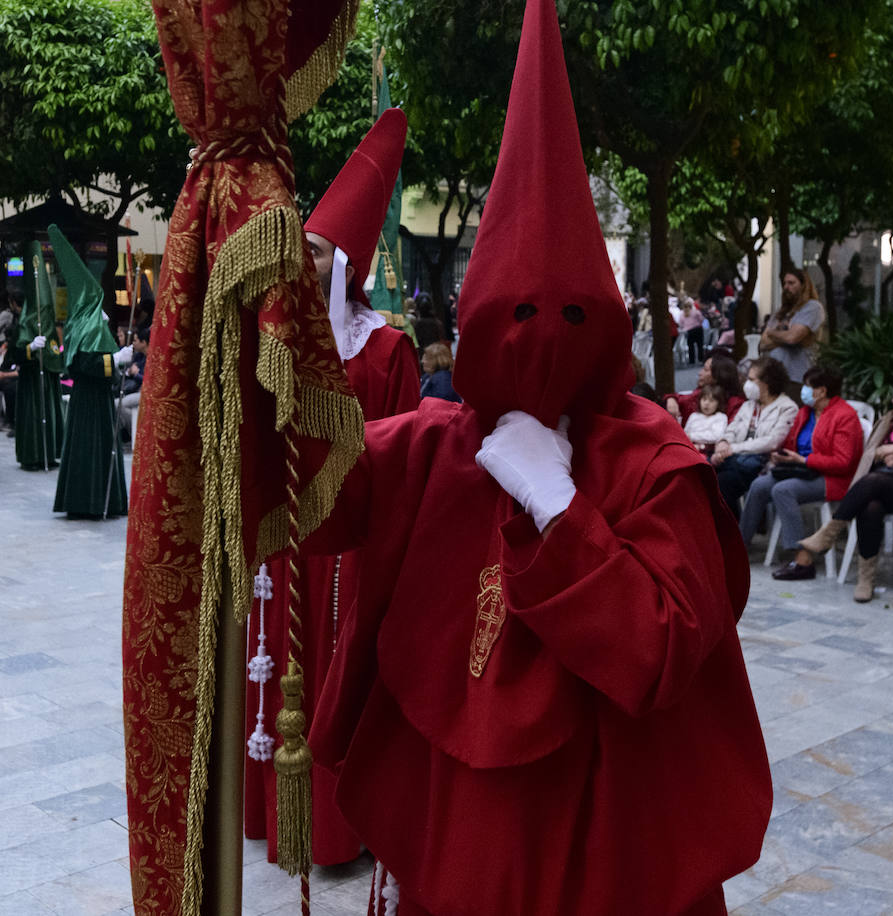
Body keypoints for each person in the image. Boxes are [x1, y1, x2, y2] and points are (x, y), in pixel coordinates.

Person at [307, 4, 770, 911]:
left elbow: (663, 648)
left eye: (569, 317)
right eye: (516, 314)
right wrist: (274, 355)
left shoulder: (653, 460)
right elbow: (305, 496)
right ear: (476, 318)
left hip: (598, 845)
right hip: (459, 834)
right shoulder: (431, 446)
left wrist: (561, 511)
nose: (542, 343)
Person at [244, 107, 422, 871]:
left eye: (314, 251)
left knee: (340, 674)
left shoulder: (385, 350)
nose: (302, 264)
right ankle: (278, 819)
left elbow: (408, 450)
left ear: (344, 261)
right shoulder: (277, 339)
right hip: (287, 547)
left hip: (349, 549)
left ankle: (338, 829)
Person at [794, 377, 893, 600]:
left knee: (874, 482)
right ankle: (866, 579)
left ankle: (830, 531)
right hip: (883, 481)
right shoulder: (889, 422)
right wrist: (884, 455)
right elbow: (870, 455)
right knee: (870, 507)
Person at [740, 365, 863, 578]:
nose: (803, 391)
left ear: (821, 391)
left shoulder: (845, 416)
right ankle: (740, 546)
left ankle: (802, 559)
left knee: (783, 490)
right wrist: (782, 455)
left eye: (807, 386)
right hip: (800, 469)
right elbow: (791, 442)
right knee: (760, 485)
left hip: (832, 478)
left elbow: (843, 462)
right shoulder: (806, 412)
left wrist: (806, 460)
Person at [48, 224, 131, 518]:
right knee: (93, 446)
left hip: (93, 398)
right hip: (91, 399)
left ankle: (102, 500)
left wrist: (116, 360)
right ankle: (92, 502)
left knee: (97, 446)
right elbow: (85, 363)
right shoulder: (87, 323)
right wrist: (117, 359)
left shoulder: (82, 322)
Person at [711, 357, 798, 519]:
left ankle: (733, 533)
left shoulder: (787, 407)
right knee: (706, 475)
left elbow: (773, 441)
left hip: (762, 463)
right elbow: (731, 429)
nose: (747, 384)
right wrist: (723, 443)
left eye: (751, 380)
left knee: (722, 482)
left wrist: (732, 449)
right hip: (735, 459)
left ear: (767, 383)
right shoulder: (749, 405)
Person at [15, 242, 66, 471]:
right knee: (35, 415)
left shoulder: (50, 326)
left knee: (51, 413)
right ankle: (33, 454)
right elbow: (17, 352)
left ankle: (51, 452)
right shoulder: (25, 320)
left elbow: (57, 353)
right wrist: (31, 348)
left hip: (49, 379)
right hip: (32, 379)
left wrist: (51, 353)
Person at [760, 267, 824, 389]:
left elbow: (792, 338)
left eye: (791, 283)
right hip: (772, 378)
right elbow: (762, 344)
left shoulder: (812, 307)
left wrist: (773, 334)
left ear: (804, 286)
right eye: (784, 283)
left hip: (796, 378)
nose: (786, 287)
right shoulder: (781, 312)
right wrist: (784, 335)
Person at [663, 353, 743, 426]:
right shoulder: (701, 392)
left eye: (705, 369)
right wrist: (671, 398)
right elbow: (681, 399)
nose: (700, 373)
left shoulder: (735, 403)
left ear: (718, 376)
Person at [684, 384, 728, 456]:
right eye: (704, 399)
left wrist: (692, 436)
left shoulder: (720, 417)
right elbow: (685, 434)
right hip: (690, 448)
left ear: (718, 404)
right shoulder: (694, 416)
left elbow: (716, 436)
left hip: (708, 451)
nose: (706, 403)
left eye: (711, 401)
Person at [677, 298, 705, 365]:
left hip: (688, 331)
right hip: (698, 329)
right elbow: (701, 319)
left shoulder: (682, 314)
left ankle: (692, 360)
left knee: (690, 346)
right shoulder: (696, 312)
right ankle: (700, 359)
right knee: (700, 345)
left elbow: (680, 324)